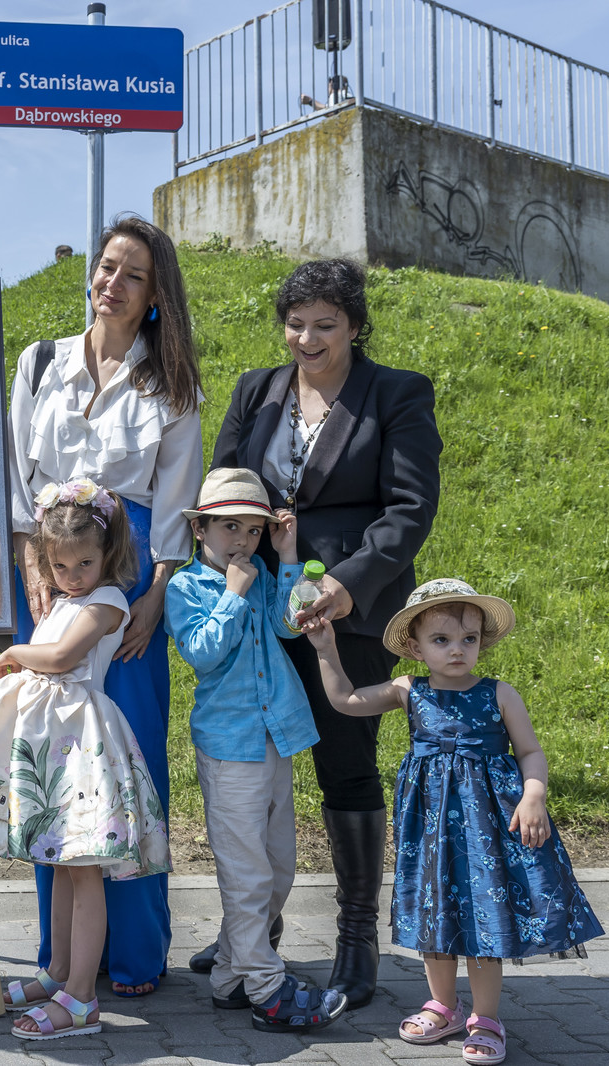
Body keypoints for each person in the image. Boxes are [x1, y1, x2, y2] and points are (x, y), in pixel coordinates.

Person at [204, 257, 442, 1008]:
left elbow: (410, 509)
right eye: (296, 323)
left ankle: (356, 938)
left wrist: (346, 584)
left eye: (325, 325)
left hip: (351, 613)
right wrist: (224, 578)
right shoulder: (256, 390)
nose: (307, 338)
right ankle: (253, 931)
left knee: (346, 766)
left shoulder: (396, 392)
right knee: (258, 768)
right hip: (262, 610)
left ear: (355, 326)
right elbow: (224, 490)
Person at [7, 213, 203, 997]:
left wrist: (157, 592)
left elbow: (180, 501)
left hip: (128, 577)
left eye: (132, 275)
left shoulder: (172, 382)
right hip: (50, 570)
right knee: (53, 759)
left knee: (127, 759)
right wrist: (31, 557)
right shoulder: (40, 362)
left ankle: (135, 954)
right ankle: (61, 958)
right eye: (106, 266)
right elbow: (14, 475)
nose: (111, 283)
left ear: (155, 297)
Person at [304, 579, 605, 1064]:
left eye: (469, 639)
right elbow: (346, 701)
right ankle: (443, 1005)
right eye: (441, 640)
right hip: (431, 828)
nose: (457, 650)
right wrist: (326, 649)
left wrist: (534, 795)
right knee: (436, 908)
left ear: (482, 642)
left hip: (488, 828)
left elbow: (530, 752)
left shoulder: (499, 694)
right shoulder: (408, 690)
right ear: (415, 648)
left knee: (484, 912)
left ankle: (486, 1017)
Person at [0, 479, 171, 1041]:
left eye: (85, 562)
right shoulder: (65, 600)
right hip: (55, 744)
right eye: (60, 566)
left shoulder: (108, 602)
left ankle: (82, 997)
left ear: (108, 552)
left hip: (81, 745)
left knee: (83, 868)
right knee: (62, 862)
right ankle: (58, 972)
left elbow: (63, 657)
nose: (73, 576)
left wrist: (17, 650)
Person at [163, 468, 343, 1032]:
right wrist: (233, 595)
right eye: (230, 527)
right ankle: (267, 989)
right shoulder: (185, 588)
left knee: (280, 867)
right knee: (248, 876)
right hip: (229, 745)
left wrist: (287, 556)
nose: (242, 540)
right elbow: (203, 652)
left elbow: (291, 627)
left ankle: (228, 975)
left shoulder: (263, 572)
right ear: (201, 530)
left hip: (276, 735)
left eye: (254, 530)